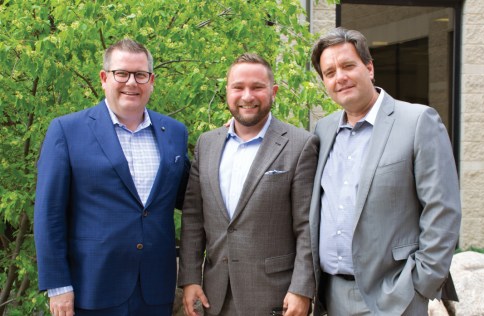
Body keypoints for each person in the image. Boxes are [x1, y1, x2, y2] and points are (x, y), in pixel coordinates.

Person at [309, 27, 462, 316]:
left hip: (394, 295)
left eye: (348, 66)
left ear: (369, 67)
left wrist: (420, 285)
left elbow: (443, 210)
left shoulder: (417, 121)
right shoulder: (324, 130)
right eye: (329, 72)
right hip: (330, 296)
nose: (339, 77)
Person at [34, 38, 190, 316]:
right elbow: (49, 213)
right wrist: (58, 285)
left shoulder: (174, 132)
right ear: (105, 78)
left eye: (140, 75)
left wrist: (232, 135)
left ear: (151, 81)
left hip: (155, 289)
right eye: (122, 73)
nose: (132, 82)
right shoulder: (67, 131)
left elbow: (192, 198)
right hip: (91, 288)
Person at [177, 53, 318, 316]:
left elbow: (306, 227)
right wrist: (190, 278)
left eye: (257, 87)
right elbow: (194, 219)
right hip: (215, 296)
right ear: (227, 91)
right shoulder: (207, 144)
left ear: (273, 91)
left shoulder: (300, 145)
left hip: (276, 297)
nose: (247, 96)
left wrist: (302, 288)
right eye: (238, 87)